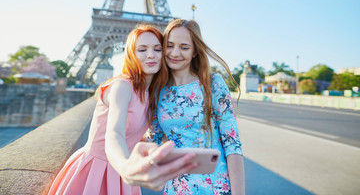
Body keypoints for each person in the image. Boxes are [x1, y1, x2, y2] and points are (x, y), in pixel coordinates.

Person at [48, 24, 197, 195]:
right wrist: (126, 168)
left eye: (157, 49)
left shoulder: (150, 95)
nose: (151, 55)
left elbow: (135, 136)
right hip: (98, 170)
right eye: (142, 49)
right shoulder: (122, 86)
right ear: (132, 54)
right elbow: (114, 135)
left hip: (122, 173)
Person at [148, 19, 245, 194]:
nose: (174, 53)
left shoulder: (213, 83)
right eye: (169, 45)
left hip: (216, 187)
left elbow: (232, 144)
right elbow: (152, 140)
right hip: (177, 188)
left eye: (184, 47)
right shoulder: (157, 91)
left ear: (194, 52)